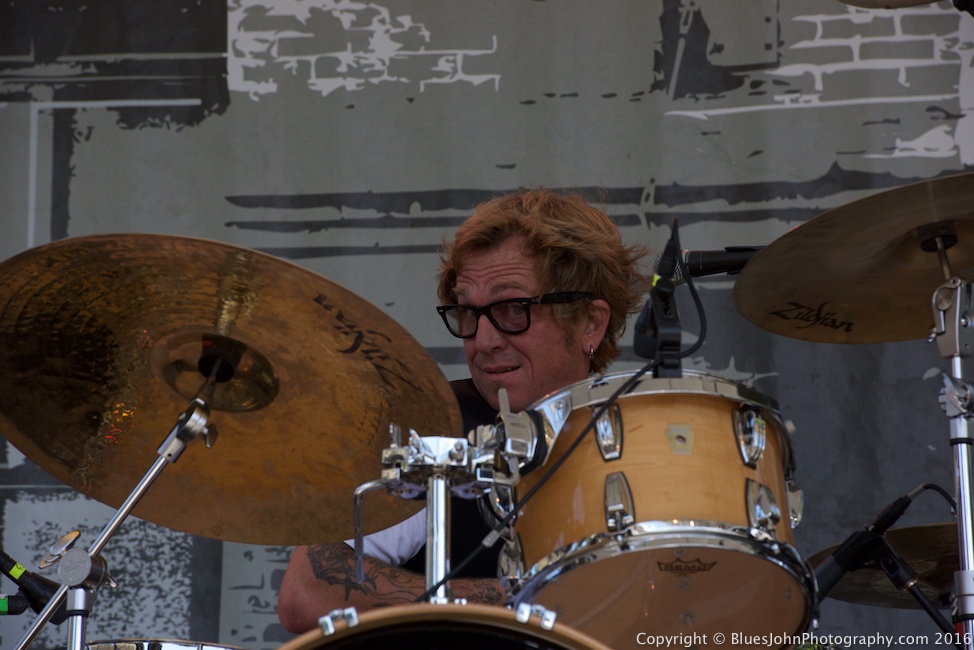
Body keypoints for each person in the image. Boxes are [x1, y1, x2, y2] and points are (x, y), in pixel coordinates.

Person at [277, 188, 649, 633]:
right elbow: (307, 594)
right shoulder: (433, 425)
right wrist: (531, 599)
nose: (484, 341)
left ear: (590, 321)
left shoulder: (657, 441)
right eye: (469, 314)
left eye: (513, 309)